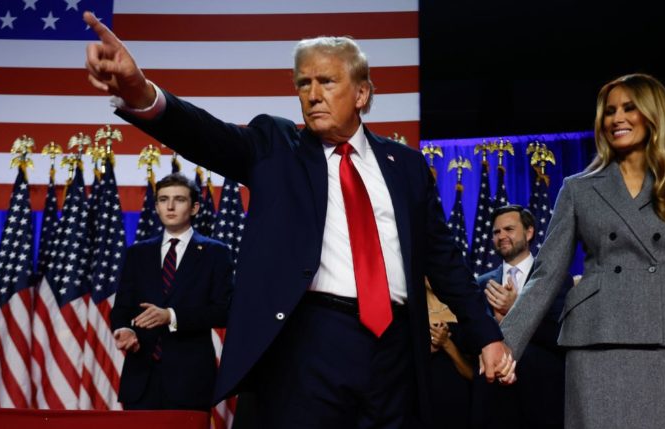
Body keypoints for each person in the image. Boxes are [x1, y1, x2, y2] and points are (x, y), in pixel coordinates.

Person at [82, 11, 515, 428]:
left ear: (362, 93)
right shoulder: (275, 146)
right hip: (308, 343)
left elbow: (445, 263)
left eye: (327, 81)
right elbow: (205, 134)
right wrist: (141, 92)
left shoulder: (406, 166)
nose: (312, 93)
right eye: (303, 83)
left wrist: (487, 337)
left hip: (397, 350)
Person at [499, 73, 665, 428]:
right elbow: (545, 276)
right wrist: (504, 344)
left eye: (629, 108)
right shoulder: (578, 189)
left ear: (654, 115)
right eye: (609, 111)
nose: (616, 118)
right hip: (597, 342)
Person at [110, 173, 233, 411]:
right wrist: (124, 329)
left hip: (190, 381)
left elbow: (223, 311)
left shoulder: (215, 253)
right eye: (163, 199)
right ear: (156, 206)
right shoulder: (137, 253)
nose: (170, 206)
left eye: (179, 199)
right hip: (141, 379)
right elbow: (122, 307)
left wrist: (172, 316)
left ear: (195, 207)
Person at [471, 205, 568, 429]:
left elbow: (561, 335)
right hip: (494, 400)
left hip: (541, 397)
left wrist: (516, 310)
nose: (501, 236)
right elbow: (471, 340)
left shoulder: (555, 280)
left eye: (509, 229)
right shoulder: (481, 284)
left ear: (529, 232)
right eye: (496, 232)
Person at [425, 281, 474, 429]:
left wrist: (446, 343)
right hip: (422, 406)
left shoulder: (466, 310)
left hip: (462, 404)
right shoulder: (405, 311)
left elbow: (473, 374)